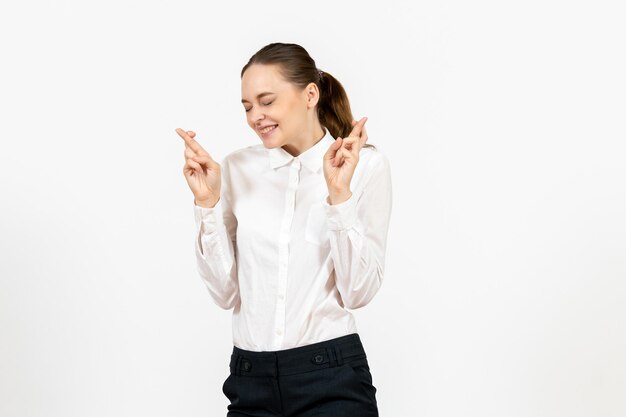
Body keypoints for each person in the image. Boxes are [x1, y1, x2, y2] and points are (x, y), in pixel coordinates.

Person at [174, 42, 392, 417]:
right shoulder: (236, 169)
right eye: (247, 107)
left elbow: (358, 291)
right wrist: (206, 206)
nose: (256, 116)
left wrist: (338, 195)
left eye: (267, 101)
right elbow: (225, 294)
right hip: (249, 379)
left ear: (310, 94)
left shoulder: (365, 167)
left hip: (332, 377)